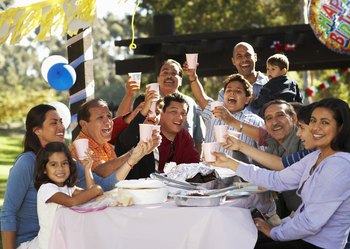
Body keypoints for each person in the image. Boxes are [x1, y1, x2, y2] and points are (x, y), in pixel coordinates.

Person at [211, 97, 350, 249]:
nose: (315, 128)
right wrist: (229, 162)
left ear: (341, 127)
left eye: (324, 122)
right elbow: (276, 179)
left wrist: (274, 232)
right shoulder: (316, 156)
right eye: (313, 121)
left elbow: (311, 223)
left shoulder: (338, 166)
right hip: (303, 234)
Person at [1, 104, 157, 249]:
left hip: (62, 238)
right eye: (54, 123)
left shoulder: (66, 162)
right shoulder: (27, 162)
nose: (61, 126)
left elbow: (104, 186)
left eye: (61, 122)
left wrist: (133, 157)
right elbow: (8, 212)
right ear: (37, 131)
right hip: (33, 242)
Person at [18, 142, 103, 249]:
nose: (60, 168)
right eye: (53, 164)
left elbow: (91, 196)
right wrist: (98, 189)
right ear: (44, 169)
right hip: (47, 246)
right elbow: (72, 201)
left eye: (64, 163)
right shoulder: (46, 189)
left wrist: (87, 168)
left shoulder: (68, 188)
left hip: (62, 243)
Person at [185, 70, 265, 163]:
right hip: (211, 172)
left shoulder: (256, 122)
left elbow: (266, 154)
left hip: (239, 175)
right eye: (229, 90)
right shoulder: (215, 111)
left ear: (247, 99)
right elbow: (201, 98)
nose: (232, 93)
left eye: (238, 91)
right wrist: (192, 76)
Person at [116, 93, 200, 173]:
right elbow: (126, 140)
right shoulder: (127, 136)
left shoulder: (156, 140)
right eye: (148, 112)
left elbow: (193, 165)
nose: (153, 117)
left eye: (157, 113)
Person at [158, 59, 204, 154]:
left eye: (174, 73)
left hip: (186, 164)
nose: (169, 76)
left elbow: (199, 139)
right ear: (158, 79)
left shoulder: (190, 103)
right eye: (165, 72)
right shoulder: (149, 103)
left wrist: (197, 163)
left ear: (181, 80)